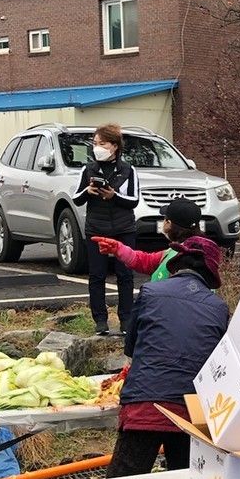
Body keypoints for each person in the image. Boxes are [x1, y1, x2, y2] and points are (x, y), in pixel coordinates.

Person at [78, 236, 229, 479]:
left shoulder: (152, 294)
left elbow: (132, 346)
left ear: (176, 267)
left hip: (146, 402)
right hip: (191, 410)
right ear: (208, 274)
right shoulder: (218, 307)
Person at [71, 123, 139, 335]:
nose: (97, 147)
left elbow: (134, 200)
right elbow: (76, 198)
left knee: (125, 275)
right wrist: (88, 191)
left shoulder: (128, 170)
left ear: (115, 146)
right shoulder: (88, 169)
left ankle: (126, 319)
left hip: (123, 228)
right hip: (96, 228)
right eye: (95, 143)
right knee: (97, 275)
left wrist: (114, 196)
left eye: (102, 143)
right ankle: (100, 320)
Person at [91, 197, 202, 282]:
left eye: (165, 218)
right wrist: (119, 249)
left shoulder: (185, 259)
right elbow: (148, 261)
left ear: (169, 223)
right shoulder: (196, 251)